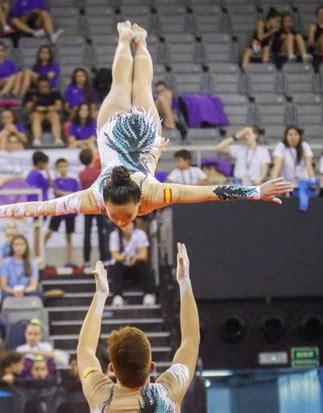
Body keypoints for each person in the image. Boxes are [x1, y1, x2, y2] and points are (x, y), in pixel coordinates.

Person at [0, 22, 293, 227]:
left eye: (124, 214)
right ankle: (136, 42)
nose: (122, 220)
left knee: (124, 85)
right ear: (105, 203)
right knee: (136, 86)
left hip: (117, 134)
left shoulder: (122, 195)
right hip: (144, 136)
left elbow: (209, 192)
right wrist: (254, 192)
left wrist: (255, 192)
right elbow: (41, 207)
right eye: (117, 214)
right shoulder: (132, 193)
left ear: (140, 200)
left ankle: (129, 41)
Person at [77, 243, 199, 410]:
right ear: (152, 367)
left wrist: (100, 294)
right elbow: (191, 340)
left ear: (111, 368)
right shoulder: (167, 393)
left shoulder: (99, 395)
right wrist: (184, 281)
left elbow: (85, 349)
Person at [44, 158, 81, 266]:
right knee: (48, 233)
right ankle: (40, 255)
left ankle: (68, 261)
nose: (63, 168)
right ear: (57, 169)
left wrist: (64, 193)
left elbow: (77, 195)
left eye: (65, 166)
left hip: (70, 212)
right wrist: (68, 194)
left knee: (69, 237)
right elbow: (56, 192)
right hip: (59, 211)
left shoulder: (73, 181)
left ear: (68, 167)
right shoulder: (55, 181)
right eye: (60, 166)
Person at [109, 221, 155, 307]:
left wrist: (134, 258)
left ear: (133, 224)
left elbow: (144, 255)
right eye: (124, 224)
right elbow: (115, 255)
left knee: (145, 265)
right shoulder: (114, 235)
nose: (126, 226)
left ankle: (148, 294)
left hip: (136, 265)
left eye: (128, 223)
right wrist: (126, 258)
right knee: (115, 266)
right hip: (122, 266)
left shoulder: (140, 234)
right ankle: (117, 296)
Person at [79, 148, 110, 268]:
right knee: (102, 232)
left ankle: (86, 260)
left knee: (87, 233)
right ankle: (104, 258)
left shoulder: (81, 174)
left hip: (87, 205)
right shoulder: (98, 172)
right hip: (99, 205)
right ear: (93, 158)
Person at [24, 76, 63, 146]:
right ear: (38, 86)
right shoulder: (31, 93)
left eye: (45, 86)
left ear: (49, 85)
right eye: (41, 86)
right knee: (36, 116)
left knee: (55, 116)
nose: (43, 88)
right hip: (36, 114)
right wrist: (34, 102)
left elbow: (58, 107)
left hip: (50, 113)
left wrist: (45, 108)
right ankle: (36, 140)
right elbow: (27, 110)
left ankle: (57, 139)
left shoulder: (55, 92)